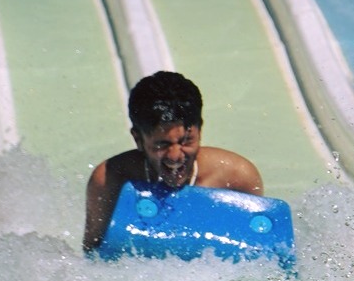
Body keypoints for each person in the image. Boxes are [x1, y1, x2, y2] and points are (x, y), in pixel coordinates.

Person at [83, 71, 263, 252]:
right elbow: (93, 256)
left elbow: (258, 251)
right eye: (162, 144)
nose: (175, 156)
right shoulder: (111, 180)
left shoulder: (237, 178)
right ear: (138, 139)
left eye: (186, 141)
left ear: (200, 131)